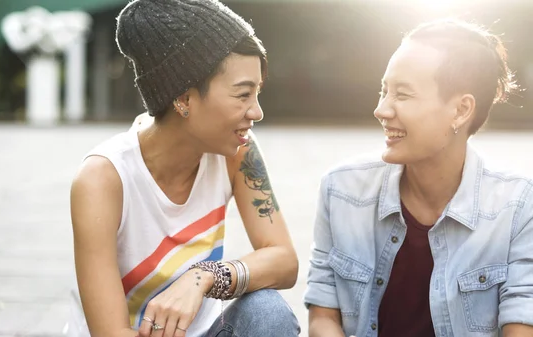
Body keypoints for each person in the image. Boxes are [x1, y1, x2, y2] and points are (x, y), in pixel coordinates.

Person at [67, 1, 301, 337]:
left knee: (268, 312)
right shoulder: (103, 178)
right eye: (243, 94)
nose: (256, 112)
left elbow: (284, 260)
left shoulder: (238, 152)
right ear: (184, 99)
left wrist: (205, 275)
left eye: (257, 93)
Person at [304, 19, 533, 337]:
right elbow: (323, 319)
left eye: (403, 94)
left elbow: (521, 327)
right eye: (383, 90)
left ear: (461, 110)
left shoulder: (519, 205)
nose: (381, 109)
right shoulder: (340, 189)